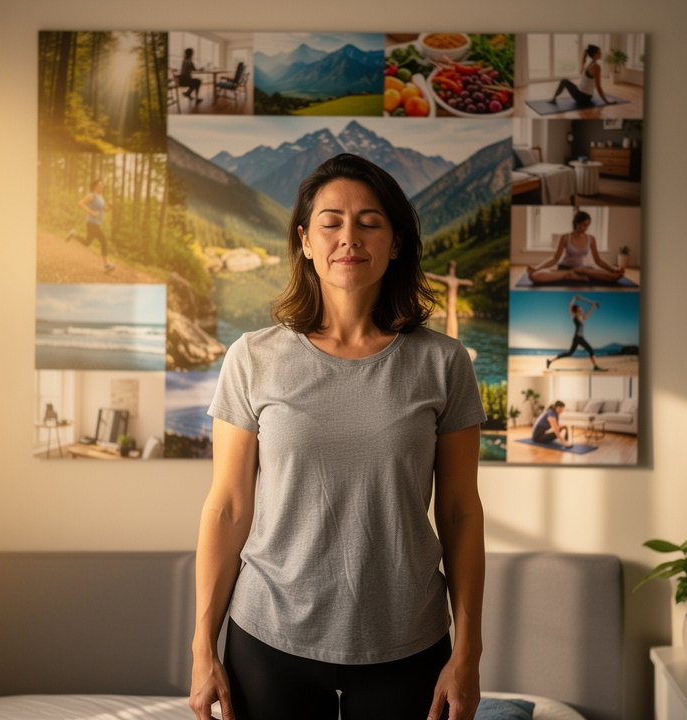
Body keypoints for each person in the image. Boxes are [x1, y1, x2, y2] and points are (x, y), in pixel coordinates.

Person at [190, 154, 487, 720]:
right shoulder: (252, 358)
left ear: (396, 242)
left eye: (369, 222)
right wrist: (203, 645)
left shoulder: (443, 363)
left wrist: (469, 648)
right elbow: (227, 508)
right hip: (267, 637)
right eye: (331, 222)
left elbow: (459, 512)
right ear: (305, 240)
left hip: (410, 642)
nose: (349, 237)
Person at [526, 210, 624, 285]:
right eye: (584, 225)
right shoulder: (565, 237)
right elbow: (555, 259)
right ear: (577, 223)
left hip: (582, 269)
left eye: (588, 225)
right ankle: (570, 275)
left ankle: (575, 274)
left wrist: (614, 269)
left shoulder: (591, 239)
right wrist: (536, 267)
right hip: (564, 269)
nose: (586, 228)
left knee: (615, 276)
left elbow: (598, 260)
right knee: (533, 276)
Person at [66, 178, 114, 273]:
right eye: (101, 184)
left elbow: (105, 210)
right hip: (92, 223)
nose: (103, 186)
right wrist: (91, 212)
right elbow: (80, 204)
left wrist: (110, 206)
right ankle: (107, 265)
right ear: (96, 186)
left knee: (87, 243)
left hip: (96, 223)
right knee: (104, 241)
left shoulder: (101, 197)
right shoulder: (91, 196)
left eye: (103, 184)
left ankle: (73, 234)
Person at [547, 295, 603, 372]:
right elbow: (570, 306)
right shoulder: (574, 316)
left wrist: (594, 305)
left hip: (580, 338)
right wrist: (574, 298)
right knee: (577, 352)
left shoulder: (583, 317)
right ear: (577, 309)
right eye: (580, 307)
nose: (581, 308)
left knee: (571, 353)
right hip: (577, 338)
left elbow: (589, 312)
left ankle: (550, 361)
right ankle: (595, 367)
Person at [550, 44, 614, 106]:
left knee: (564, 81)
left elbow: (598, 87)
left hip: (583, 97)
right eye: (599, 52)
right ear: (595, 54)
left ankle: (553, 99)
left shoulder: (593, 66)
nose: (601, 53)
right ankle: (553, 99)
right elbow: (596, 86)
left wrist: (606, 101)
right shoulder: (592, 65)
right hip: (584, 96)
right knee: (565, 81)